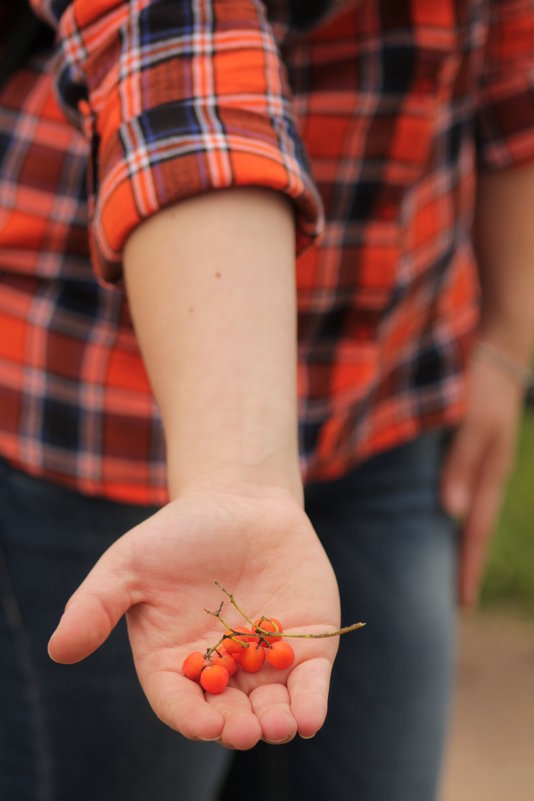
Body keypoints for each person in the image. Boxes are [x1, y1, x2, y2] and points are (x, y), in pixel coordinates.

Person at [1, 2, 533, 801]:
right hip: (110, 411)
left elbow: (515, 54)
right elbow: (180, 50)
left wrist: (506, 336)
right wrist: (238, 478)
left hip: (392, 384)